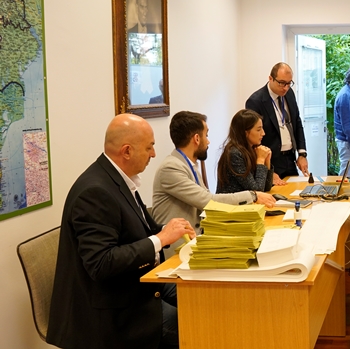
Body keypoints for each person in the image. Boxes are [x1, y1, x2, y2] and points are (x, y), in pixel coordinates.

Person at [47, 114, 195, 349]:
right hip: (111, 311)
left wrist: (169, 230)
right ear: (127, 151)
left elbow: (142, 230)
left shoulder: (119, 179)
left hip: (136, 284)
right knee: (198, 325)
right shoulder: (95, 192)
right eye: (149, 147)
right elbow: (101, 263)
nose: (153, 154)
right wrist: (160, 238)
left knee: (203, 298)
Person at [152, 111, 275, 254]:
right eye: (206, 135)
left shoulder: (188, 165)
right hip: (178, 249)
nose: (208, 141)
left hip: (196, 240)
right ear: (197, 139)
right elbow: (207, 201)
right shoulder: (171, 168)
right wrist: (253, 195)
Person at [246, 62, 308, 185]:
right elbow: (253, 139)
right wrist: (268, 169)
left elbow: (297, 122)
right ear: (271, 79)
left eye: (289, 83)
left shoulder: (289, 94)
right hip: (271, 160)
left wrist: (302, 154)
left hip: (290, 158)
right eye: (282, 83)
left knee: (295, 191)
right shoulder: (255, 101)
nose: (285, 88)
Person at [216, 109, 275, 194]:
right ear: (246, 133)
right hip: (233, 202)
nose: (263, 133)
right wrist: (260, 160)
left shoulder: (252, 149)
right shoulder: (234, 153)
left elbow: (267, 187)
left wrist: (267, 161)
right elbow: (257, 191)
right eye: (258, 130)